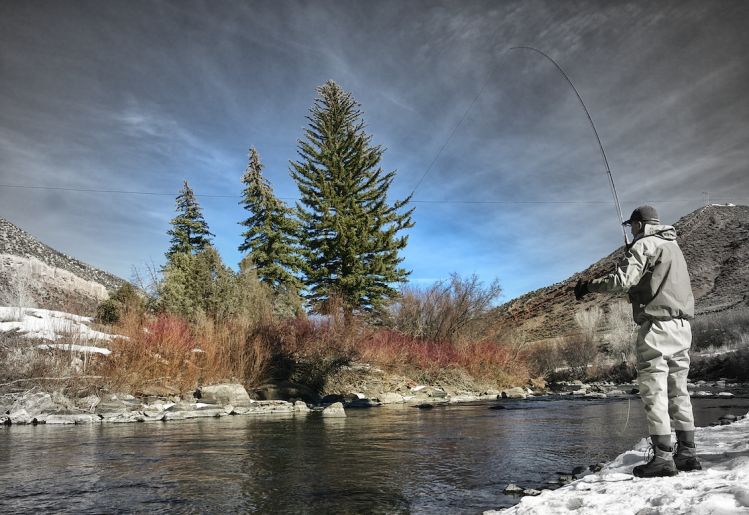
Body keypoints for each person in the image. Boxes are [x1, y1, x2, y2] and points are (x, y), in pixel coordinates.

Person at [574, 205, 701, 478]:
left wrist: (588, 287)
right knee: (679, 390)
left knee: (655, 390)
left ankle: (664, 458)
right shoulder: (673, 247)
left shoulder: (645, 244)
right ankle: (688, 454)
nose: (630, 231)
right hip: (682, 327)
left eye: (631, 226)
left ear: (640, 224)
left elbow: (622, 281)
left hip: (656, 328)